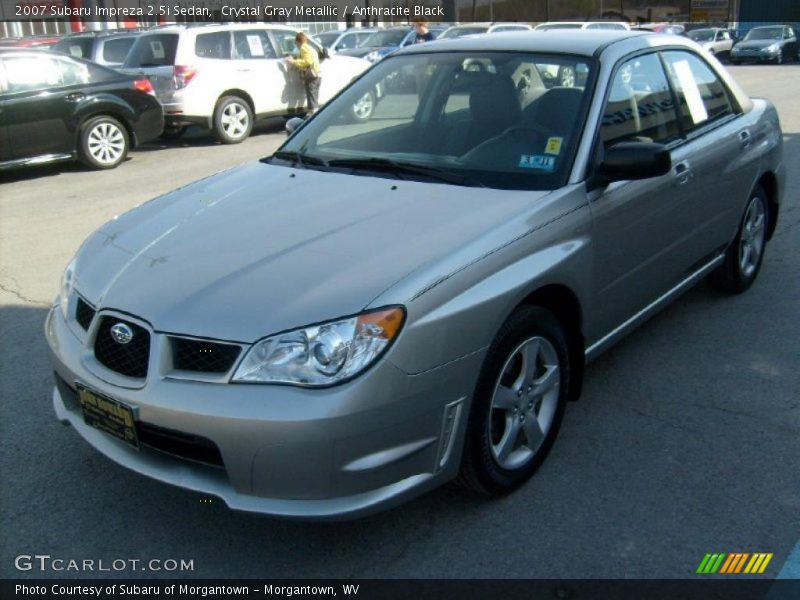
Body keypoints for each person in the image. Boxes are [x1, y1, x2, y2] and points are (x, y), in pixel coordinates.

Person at [284, 32, 321, 116]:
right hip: (317, 75)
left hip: (312, 76)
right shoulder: (310, 48)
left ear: (298, 41)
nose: (296, 45)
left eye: (296, 43)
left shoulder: (303, 48)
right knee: (314, 96)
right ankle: (314, 113)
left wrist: (293, 62)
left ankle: (313, 115)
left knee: (311, 96)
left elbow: (308, 61)